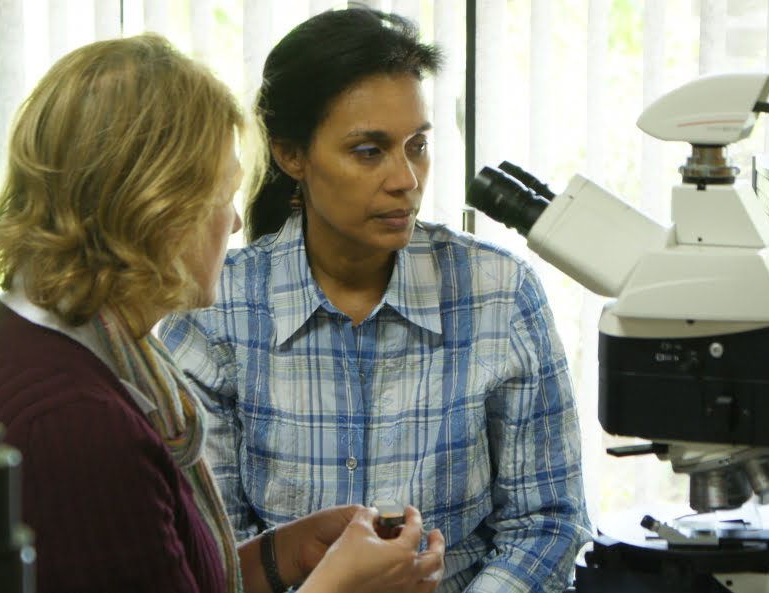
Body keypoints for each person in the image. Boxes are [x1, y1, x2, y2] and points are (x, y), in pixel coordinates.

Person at [0, 33, 444, 593]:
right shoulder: (80, 429)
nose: (233, 223)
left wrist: (283, 555)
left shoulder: (16, 339)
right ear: (157, 207)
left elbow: (156, 570)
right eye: (221, 195)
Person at [160, 7, 589, 593]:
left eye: (416, 146)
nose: (406, 179)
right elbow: (214, 555)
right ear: (292, 156)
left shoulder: (499, 293)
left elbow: (547, 526)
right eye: (369, 151)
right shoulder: (218, 310)